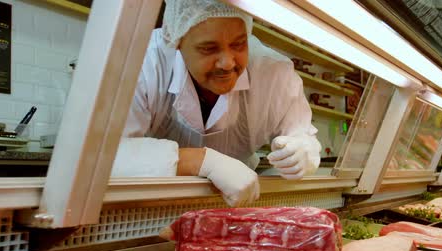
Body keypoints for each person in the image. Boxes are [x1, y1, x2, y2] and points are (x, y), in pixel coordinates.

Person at [111, 0, 321, 207]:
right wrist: (203, 161)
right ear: (176, 41)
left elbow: (303, 136)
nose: (227, 63)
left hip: (239, 202)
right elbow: (105, 157)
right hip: (151, 204)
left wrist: (301, 151)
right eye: (209, 49)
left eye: (239, 44)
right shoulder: (141, 61)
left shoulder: (274, 73)